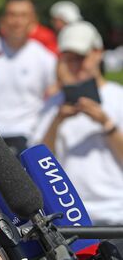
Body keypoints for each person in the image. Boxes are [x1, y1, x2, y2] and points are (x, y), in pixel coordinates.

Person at [32, 21, 123, 226]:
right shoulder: (53, 105)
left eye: (81, 57)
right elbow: (38, 163)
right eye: (69, 59)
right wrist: (57, 121)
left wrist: (106, 123)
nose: (76, 65)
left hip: (116, 214)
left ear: (98, 53)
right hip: (72, 217)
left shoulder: (118, 97)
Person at [0, 0, 57, 154]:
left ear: (33, 20)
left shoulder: (45, 57)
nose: (17, 21)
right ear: (3, 20)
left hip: (29, 135)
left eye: (23, 15)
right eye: (12, 15)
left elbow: (54, 95)